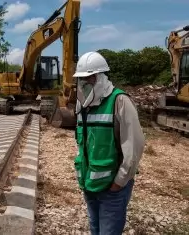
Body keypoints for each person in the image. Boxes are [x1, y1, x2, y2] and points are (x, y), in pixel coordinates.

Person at [72, 51, 145, 235]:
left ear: (99, 77)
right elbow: (84, 144)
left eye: (88, 78)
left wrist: (119, 183)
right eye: (81, 79)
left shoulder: (119, 101)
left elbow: (134, 148)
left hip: (112, 189)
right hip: (90, 185)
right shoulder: (83, 106)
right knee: (95, 229)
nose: (84, 83)